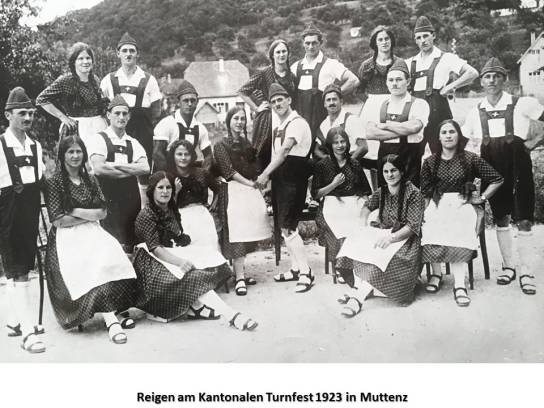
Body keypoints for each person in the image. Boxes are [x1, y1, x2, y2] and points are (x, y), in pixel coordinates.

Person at [133, 171, 257, 330]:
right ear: (152, 190)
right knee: (192, 275)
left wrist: (185, 244)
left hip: (166, 254)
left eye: (168, 187)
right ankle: (231, 315)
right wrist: (180, 262)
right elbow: (155, 249)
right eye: (160, 188)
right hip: (149, 265)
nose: (165, 191)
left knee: (209, 258)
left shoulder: (170, 208)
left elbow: (177, 235)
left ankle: (197, 307)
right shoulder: (146, 214)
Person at [462, 57, 544, 295]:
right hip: (492, 169)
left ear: (504, 79)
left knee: (524, 218)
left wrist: (533, 142)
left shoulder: (521, 103)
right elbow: (466, 144)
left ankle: (526, 271)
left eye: (496, 76)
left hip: (518, 167)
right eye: (487, 77)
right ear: (481, 82)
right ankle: (509, 267)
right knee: (500, 217)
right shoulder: (475, 111)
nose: (492, 80)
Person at [44, 136, 138, 343]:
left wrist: (74, 210)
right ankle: (111, 321)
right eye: (70, 152)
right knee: (90, 262)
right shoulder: (55, 182)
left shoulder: (90, 179)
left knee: (113, 254)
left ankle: (118, 309)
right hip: (67, 237)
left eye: (79, 151)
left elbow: (102, 212)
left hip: (93, 231)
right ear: (62, 155)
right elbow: (58, 220)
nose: (75, 156)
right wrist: (89, 214)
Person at [420, 120, 503, 306]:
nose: (448, 135)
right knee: (428, 222)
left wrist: (482, 198)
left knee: (460, 226)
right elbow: (425, 194)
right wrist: (421, 214)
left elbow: (497, 179)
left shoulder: (470, 158)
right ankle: (437, 274)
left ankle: (459, 284)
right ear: (438, 137)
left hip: (463, 203)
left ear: (459, 135)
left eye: (452, 131)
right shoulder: (430, 162)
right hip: (437, 203)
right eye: (444, 132)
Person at [335, 154, 425, 315]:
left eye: (393, 170)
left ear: (402, 171)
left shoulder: (413, 193)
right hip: (384, 231)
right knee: (355, 242)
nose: (389, 175)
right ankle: (358, 287)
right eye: (385, 171)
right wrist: (362, 224)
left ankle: (358, 298)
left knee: (379, 254)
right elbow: (366, 207)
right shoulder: (382, 191)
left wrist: (391, 238)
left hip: (405, 240)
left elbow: (412, 227)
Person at [255, 83, 314, 293]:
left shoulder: (297, 123)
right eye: (273, 101)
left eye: (280, 99)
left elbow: (285, 151)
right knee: (284, 226)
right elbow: (275, 156)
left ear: (289, 100)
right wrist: (272, 180)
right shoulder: (279, 126)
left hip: (294, 177)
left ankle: (306, 272)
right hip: (281, 178)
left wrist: (265, 175)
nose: (277, 104)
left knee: (288, 226)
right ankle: (296, 268)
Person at [0, 87, 46, 353]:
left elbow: (40, 181)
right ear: (8, 115)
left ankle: (14, 321)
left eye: (31, 113)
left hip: (29, 209)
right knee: (15, 268)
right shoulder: (0, 145)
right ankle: (27, 332)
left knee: (23, 267)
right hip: (6, 212)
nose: (28, 118)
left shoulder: (35, 146)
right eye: (22, 113)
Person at [213, 107, 271, 296]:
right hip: (232, 192)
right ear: (228, 121)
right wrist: (251, 184)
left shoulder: (247, 143)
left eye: (242, 119)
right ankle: (239, 278)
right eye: (236, 118)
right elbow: (228, 171)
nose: (239, 122)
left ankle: (241, 273)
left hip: (247, 192)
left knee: (247, 232)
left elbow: (254, 167)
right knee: (236, 232)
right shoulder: (221, 144)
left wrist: (258, 180)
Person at [405, 16, 478, 154]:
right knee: (412, 155)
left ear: (433, 36)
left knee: (443, 154)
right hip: (416, 113)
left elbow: (472, 73)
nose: (423, 40)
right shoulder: (409, 62)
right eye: (419, 38)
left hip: (438, 111)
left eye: (426, 36)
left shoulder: (447, 58)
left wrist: (451, 87)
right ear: (415, 40)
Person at [87, 95, 150, 252]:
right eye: (117, 113)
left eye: (124, 113)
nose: (121, 117)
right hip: (107, 197)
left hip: (130, 199)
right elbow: (99, 168)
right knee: (110, 244)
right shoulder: (98, 139)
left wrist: (115, 165)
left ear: (129, 116)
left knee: (131, 242)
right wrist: (131, 169)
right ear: (108, 115)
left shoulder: (133, 142)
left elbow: (145, 168)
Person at [311, 127, 371, 282]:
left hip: (353, 203)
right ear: (330, 145)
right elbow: (316, 194)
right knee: (339, 226)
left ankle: (356, 265)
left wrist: (366, 205)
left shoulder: (354, 164)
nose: (340, 145)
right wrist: (333, 184)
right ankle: (341, 266)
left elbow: (365, 190)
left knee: (360, 224)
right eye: (335, 142)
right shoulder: (322, 165)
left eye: (342, 141)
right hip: (331, 205)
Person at [100, 32, 162, 178]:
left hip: (143, 131)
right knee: (116, 166)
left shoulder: (149, 79)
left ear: (137, 54)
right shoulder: (108, 80)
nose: (128, 54)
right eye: (124, 51)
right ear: (118, 54)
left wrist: (146, 128)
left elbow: (157, 111)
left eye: (132, 51)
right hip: (116, 131)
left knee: (143, 170)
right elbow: (102, 108)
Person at [365, 59, 430, 187]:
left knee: (410, 193)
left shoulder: (419, 103)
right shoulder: (378, 105)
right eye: (391, 80)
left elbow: (414, 127)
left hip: (409, 158)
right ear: (386, 82)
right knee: (386, 193)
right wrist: (404, 129)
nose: (394, 84)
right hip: (385, 159)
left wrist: (386, 125)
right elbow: (370, 133)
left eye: (399, 80)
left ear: (408, 81)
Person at [291, 23, 360, 142]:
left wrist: (335, 95)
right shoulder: (295, 66)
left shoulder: (331, 64)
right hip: (302, 122)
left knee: (326, 148)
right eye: (307, 43)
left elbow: (354, 80)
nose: (310, 46)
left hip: (323, 120)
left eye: (314, 43)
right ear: (303, 44)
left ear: (320, 43)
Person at [239, 39, 297, 169]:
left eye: (284, 51)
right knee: (263, 154)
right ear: (272, 55)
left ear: (288, 53)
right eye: (278, 52)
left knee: (285, 154)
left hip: (286, 118)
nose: (281, 55)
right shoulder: (264, 73)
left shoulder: (292, 76)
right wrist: (256, 108)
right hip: (268, 119)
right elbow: (243, 91)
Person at [36, 42, 109, 143]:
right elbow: (41, 99)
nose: (85, 61)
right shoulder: (66, 80)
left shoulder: (95, 79)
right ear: (73, 62)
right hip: (77, 130)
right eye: (80, 58)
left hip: (99, 127)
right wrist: (62, 117)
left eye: (88, 58)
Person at [358, 25, 402, 189]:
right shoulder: (367, 65)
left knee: (393, 148)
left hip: (395, 107)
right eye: (380, 39)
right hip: (372, 109)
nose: (384, 42)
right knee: (373, 152)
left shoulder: (399, 63)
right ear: (375, 43)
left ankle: (394, 189)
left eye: (387, 39)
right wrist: (371, 102)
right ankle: (377, 191)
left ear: (391, 41)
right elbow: (359, 89)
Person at [167, 139, 220, 249]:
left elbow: (217, 189)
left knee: (207, 247)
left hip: (202, 216)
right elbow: (168, 206)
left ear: (192, 156)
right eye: (179, 154)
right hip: (181, 217)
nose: (183, 158)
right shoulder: (169, 177)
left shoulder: (202, 173)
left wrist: (214, 204)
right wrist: (176, 191)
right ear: (173, 156)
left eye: (187, 154)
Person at [153, 80, 212, 171]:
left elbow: (209, 155)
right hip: (166, 173)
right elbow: (157, 154)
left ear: (197, 102)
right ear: (178, 102)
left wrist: (204, 173)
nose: (189, 104)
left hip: (187, 173)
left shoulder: (200, 128)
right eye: (185, 100)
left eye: (193, 100)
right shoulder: (167, 123)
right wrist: (171, 176)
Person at [314, 84, 368, 162]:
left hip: (351, 162)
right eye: (328, 100)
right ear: (324, 104)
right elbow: (316, 150)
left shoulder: (351, 119)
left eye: (334, 99)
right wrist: (328, 160)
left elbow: (363, 147)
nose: (331, 103)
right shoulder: (324, 124)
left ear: (341, 101)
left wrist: (345, 165)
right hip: (333, 164)